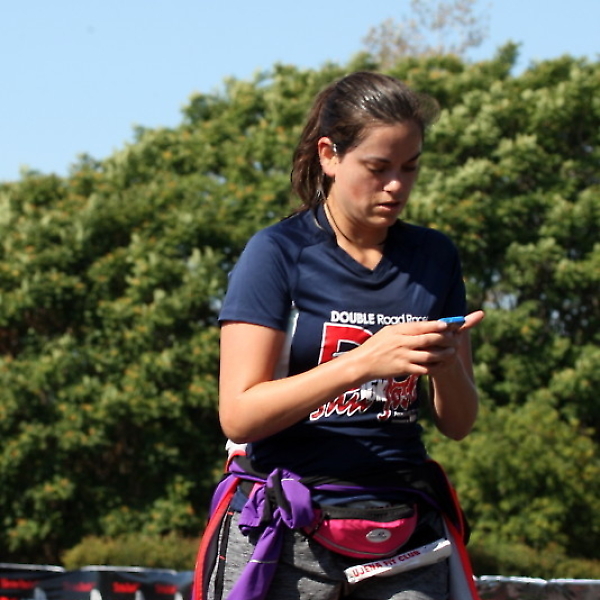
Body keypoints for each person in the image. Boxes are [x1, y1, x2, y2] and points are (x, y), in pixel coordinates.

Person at [195, 71, 485, 600]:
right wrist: (362, 363)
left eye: (410, 167)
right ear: (329, 155)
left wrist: (446, 365)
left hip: (403, 532)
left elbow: (459, 423)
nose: (396, 185)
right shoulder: (276, 253)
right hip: (286, 530)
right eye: (378, 168)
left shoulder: (435, 257)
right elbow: (238, 415)